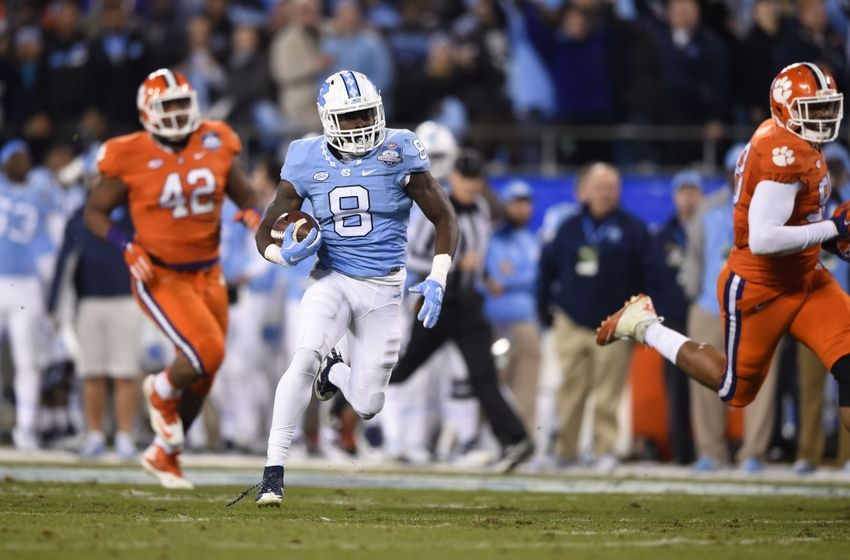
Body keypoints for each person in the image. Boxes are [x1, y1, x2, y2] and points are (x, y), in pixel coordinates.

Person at [597, 62, 850, 445]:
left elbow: (794, 219)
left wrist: (826, 239)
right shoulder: (785, 151)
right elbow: (764, 239)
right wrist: (834, 229)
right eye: (813, 109)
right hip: (760, 287)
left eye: (828, 108)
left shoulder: (792, 140)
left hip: (807, 278)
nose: (824, 118)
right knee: (735, 390)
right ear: (786, 108)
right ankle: (645, 326)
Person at [248, 70, 458, 507]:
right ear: (327, 119)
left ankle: (335, 372)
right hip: (333, 279)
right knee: (303, 356)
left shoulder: (400, 149)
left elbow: (445, 218)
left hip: (384, 289)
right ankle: (272, 473)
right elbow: (265, 228)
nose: (360, 125)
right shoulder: (305, 157)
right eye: (348, 118)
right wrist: (279, 256)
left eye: (365, 114)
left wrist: (438, 275)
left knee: (367, 405)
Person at [84, 68, 262, 489]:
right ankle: (161, 390)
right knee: (207, 351)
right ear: (148, 111)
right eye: (169, 106)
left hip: (209, 271)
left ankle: (166, 454)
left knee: (206, 372)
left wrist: (253, 212)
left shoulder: (215, 139)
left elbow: (246, 193)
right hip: (161, 274)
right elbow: (94, 212)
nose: (180, 112)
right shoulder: (127, 153)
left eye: (183, 102)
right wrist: (126, 245)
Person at [390, 149, 533, 473]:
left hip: (468, 304)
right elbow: (411, 258)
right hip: (437, 303)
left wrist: (482, 275)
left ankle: (515, 440)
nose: (470, 186)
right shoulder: (437, 209)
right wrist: (452, 268)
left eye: (475, 180)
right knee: (405, 367)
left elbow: (478, 251)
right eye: (465, 179)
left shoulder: (481, 208)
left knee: (483, 375)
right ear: (453, 178)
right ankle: (345, 396)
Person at [539, 162, 665, 473]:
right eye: (599, 187)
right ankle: (564, 450)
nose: (606, 193)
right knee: (570, 389)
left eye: (611, 187)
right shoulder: (567, 227)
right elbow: (547, 271)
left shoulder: (634, 229)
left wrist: (640, 317)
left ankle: (604, 449)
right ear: (584, 191)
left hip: (614, 321)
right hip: (570, 320)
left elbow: (652, 275)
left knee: (608, 392)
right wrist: (545, 312)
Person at [677, 145, 779, 473]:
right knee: (704, 379)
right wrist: (692, 295)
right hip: (709, 306)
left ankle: (753, 453)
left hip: (758, 308)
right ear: (726, 172)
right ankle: (711, 451)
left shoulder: (776, 210)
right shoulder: (706, 210)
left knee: (761, 383)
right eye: (736, 168)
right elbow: (693, 258)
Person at [0, 140, 63, 450]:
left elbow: (56, 231)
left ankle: (26, 427)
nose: (19, 162)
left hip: (27, 284)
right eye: (13, 157)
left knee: (29, 360)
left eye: (23, 157)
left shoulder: (42, 187)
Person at [483, 180, 541, 436]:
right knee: (494, 382)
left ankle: (524, 438)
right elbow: (488, 278)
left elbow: (535, 277)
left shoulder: (531, 240)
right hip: (495, 322)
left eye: (526, 203)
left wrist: (507, 280)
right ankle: (488, 439)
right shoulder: (490, 238)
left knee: (527, 386)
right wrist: (514, 279)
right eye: (516, 202)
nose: (521, 208)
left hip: (527, 323)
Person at [653, 170, 703, 465]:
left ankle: (713, 449)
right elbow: (653, 275)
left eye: (692, 191)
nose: (688, 197)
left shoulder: (710, 227)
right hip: (673, 317)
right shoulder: (662, 235)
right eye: (683, 192)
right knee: (676, 387)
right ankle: (682, 452)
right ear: (674, 196)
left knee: (709, 384)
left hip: (704, 312)